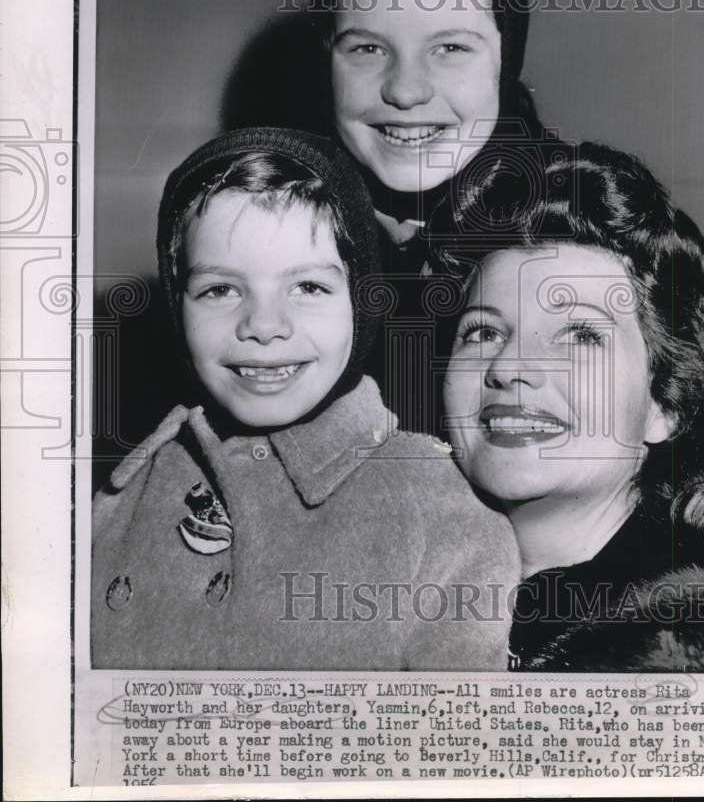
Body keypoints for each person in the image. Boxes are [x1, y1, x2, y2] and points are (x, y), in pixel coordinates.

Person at [91, 127, 520, 671]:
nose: (264, 326)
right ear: (178, 307)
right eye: (219, 290)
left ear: (362, 302)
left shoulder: (444, 518)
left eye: (309, 288)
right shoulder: (113, 501)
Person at [431, 141, 704, 671]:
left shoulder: (703, 639)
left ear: (664, 404)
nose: (510, 366)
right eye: (484, 331)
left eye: (579, 335)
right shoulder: (393, 596)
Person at [311, 0, 558, 431]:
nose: (404, 91)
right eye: (367, 48)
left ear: (506, 58)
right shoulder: (285, 228)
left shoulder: (581, 230)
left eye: (450, 48)